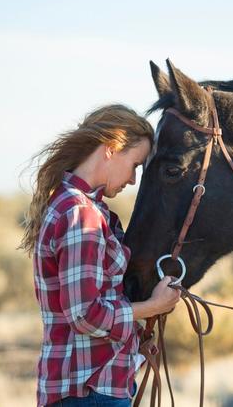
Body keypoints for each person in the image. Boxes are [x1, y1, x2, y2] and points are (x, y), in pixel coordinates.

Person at [20, 104, 181, 407]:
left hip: (87, 385)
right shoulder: (82, 214)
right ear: (111, 149)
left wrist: (132, 343)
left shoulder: (76, 206)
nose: (134, 179)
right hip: (89, 391)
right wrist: (151, 306)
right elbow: (85, 314)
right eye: (135, 164)